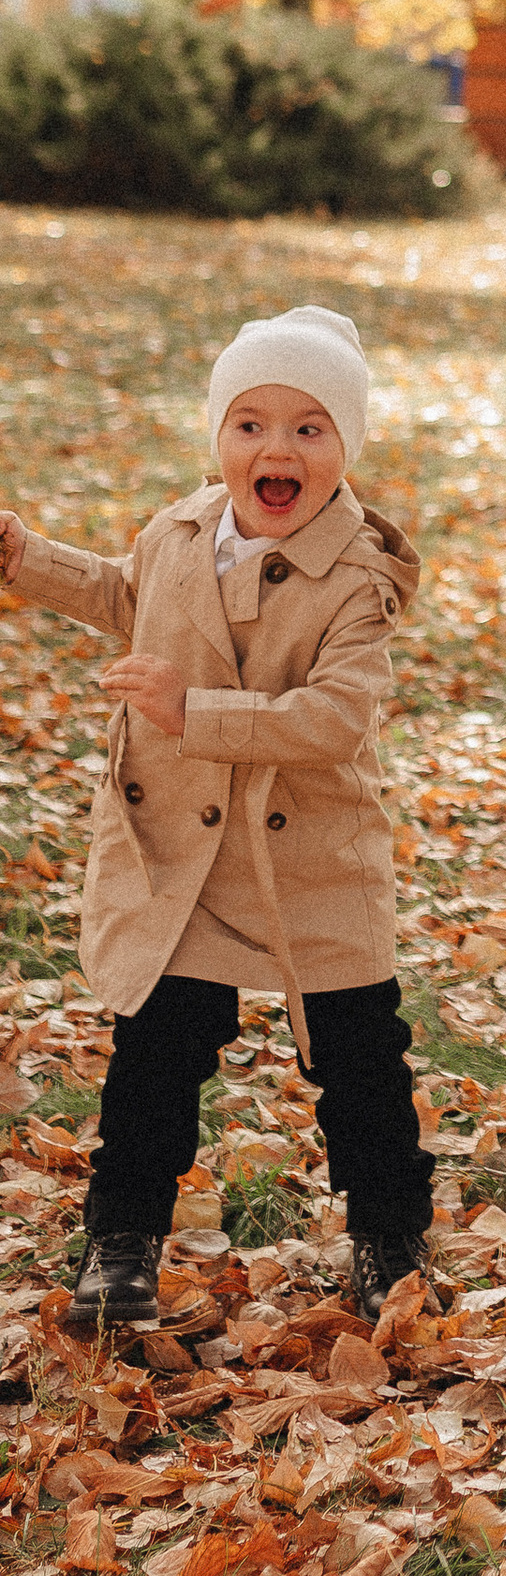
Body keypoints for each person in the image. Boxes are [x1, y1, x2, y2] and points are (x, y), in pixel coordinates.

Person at [0, 303, 432, 1334]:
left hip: (311, 853)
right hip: (184, 854)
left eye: (308, 428)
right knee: (156, 1051)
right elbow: (126, 596)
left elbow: (333, 719)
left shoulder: (358, 578)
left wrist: (193, 712)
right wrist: (24, 557)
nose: (276, 448)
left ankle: (390, 1235)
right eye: (250, 424)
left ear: (343, 449)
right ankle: (123, 1239)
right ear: (220, 441)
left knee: (358, 1060)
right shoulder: (183, 529)